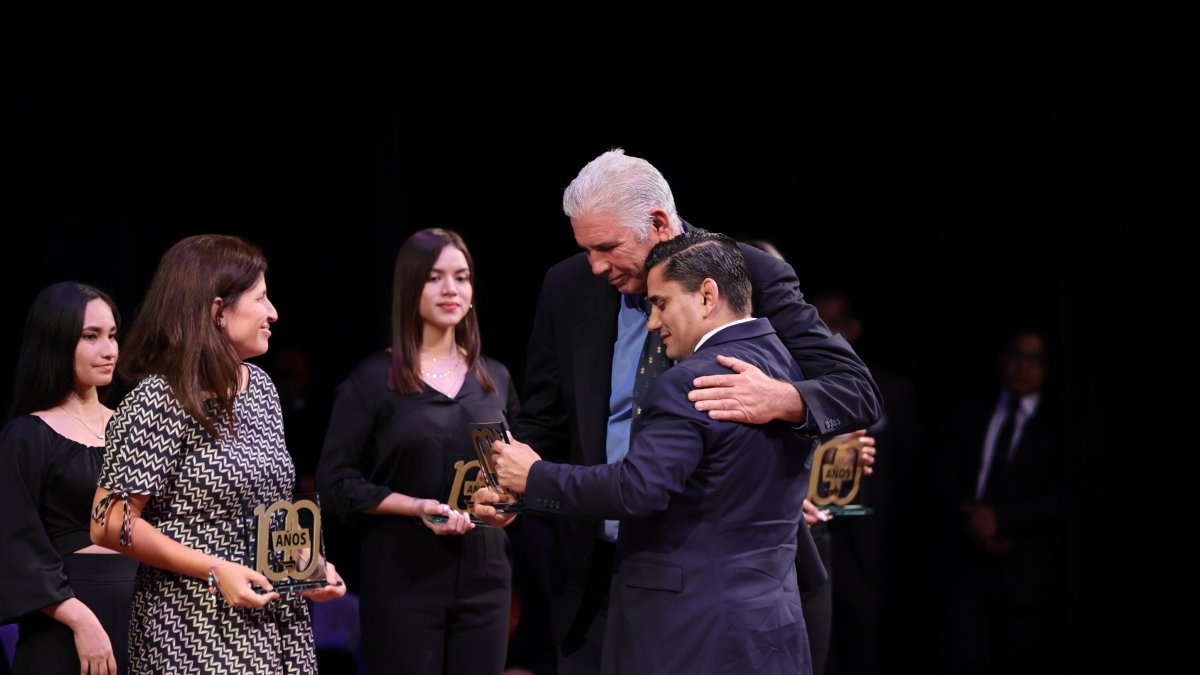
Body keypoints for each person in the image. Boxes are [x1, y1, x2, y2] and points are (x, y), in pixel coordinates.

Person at [512, 148, 882, 672]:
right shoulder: (568, 284)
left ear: (658, 223)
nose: (595, 265)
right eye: (586, 249)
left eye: (607, 247)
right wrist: (512, 485)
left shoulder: (749, 273)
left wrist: (783, 398)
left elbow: (857, 390)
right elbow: (545, 420)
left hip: (716, 584)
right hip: (595, 577)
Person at [478, 230, 823, 673]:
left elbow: (636, 488)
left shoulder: (691, 381)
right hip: (772, 627)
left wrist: (535, 476)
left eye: (660, 304)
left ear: (706, 296)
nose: (653, 322)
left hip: (690, 634)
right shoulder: (784, 369)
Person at [89, 234, 346, 674]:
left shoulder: (261, 389)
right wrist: (213, 570)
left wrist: (307, 564)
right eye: (262, 299)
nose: (273, 313)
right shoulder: (159, 398)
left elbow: (269, 507)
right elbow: (108, 522)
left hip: (275, 624)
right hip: (193, 628)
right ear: (217, 310)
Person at [316, 228, 519, 675]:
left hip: (486, 577)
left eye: (462, 277)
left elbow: (516, 472)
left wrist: (509, 508)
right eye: (434, 277)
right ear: (410, 286)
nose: (451, 289)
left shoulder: (495, 379)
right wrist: (415, 506)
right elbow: (336, 484)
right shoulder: (372, 382)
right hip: (403, 578)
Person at [0, 282, 137, 675]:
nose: (109, 349)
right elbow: (16, 542)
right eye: (90, 337)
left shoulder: (133, 429)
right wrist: (79, 619)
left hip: (142, 608)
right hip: (64, 618)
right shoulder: (27, 435)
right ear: (56, 342)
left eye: (112, 335)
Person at [932, 326, 1066, 675]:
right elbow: (939, 476)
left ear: (1048, 367)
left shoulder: (1060, 426)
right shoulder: (971, 413)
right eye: (1016, 355)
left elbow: (1062, 497)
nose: (1022, 367)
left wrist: (1003, 521)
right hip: (965, 568)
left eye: (1033, 359)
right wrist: (973, 517)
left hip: (1026, 578)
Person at [809, 289, 920, 675]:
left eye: (835, 322)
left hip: (870, 544)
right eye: (818, 321)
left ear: (854, 329)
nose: (825, 331)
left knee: (867, 646)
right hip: (812, 535)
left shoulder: (891, 391)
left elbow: (906, 474)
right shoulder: (795, 390)